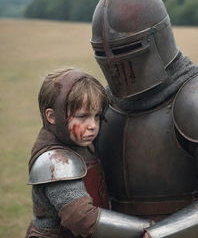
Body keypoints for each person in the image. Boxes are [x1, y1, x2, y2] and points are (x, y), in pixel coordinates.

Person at [91, 0, 198, 237]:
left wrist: (159, 234)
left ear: (158, 37)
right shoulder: (100, 104)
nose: (115, 62)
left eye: (128, 48)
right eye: (103, 52)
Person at [26, 68, 151, 238]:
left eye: (97, 116)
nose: (93, 125)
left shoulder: (79, 142)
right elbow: (81, 218)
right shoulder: (55, 161)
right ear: (52, 117)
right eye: (82, 116)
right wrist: (146, 229)